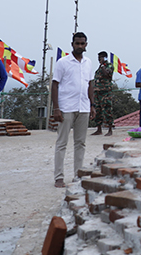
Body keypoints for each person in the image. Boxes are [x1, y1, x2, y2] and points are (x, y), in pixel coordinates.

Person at [51, 32, 95, 188]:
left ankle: (78, 175)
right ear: (72, 44)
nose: (80, 46)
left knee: (80, 143)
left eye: (83, 44)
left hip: (83, 107)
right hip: (66, 107)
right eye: (77, 43)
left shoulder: (88, 62)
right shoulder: (63, 62)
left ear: (86, 45)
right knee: (62, 142)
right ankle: (59, 177)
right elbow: (55, 85)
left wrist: (92, 105)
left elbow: (90, 84)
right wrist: (56, 108)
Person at [92, 51, 115, 136]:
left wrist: (102, 66)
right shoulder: (99, 68)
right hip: (97, 92)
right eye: (98, 58)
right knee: (97, 110)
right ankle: (99, 129)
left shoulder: (109, 66)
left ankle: (110, 129)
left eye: (100, 58)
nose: (99, 59)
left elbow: (107, 74)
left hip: (106, 92)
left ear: (104, 57)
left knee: (107, 110)